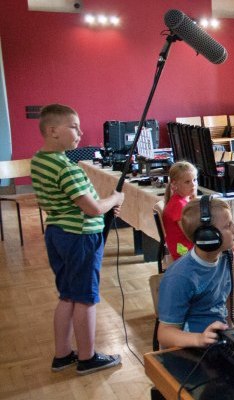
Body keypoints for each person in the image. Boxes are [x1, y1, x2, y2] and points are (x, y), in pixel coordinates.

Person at [30, 104, 125, 375]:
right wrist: (114, 199)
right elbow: (93, 209)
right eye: (74, 127)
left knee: (68, 295)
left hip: (57, 233)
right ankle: (87, 357)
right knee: (85, 298)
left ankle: (62, 355)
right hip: (80, 237)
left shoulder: (39, 160)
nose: (80, 133)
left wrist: (104, 205)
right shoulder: (67, 168)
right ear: (53, 131)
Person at [157, 196, 234, 348]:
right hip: (190, 347)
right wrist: (199, 339)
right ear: (208, 236)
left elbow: (225, 298)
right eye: (228, 225)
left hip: (217, 341)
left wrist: (231, 332)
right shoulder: (180, 276)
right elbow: (164, 334)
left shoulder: (225, 257)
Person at [162, 161, 198, 261]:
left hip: (182, 248)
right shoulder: (179, 205)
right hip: (183, 251)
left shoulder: (181, 200)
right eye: (187, 182)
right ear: (175, 184)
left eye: (194, 180)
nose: (193, 185)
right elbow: (189, 234)